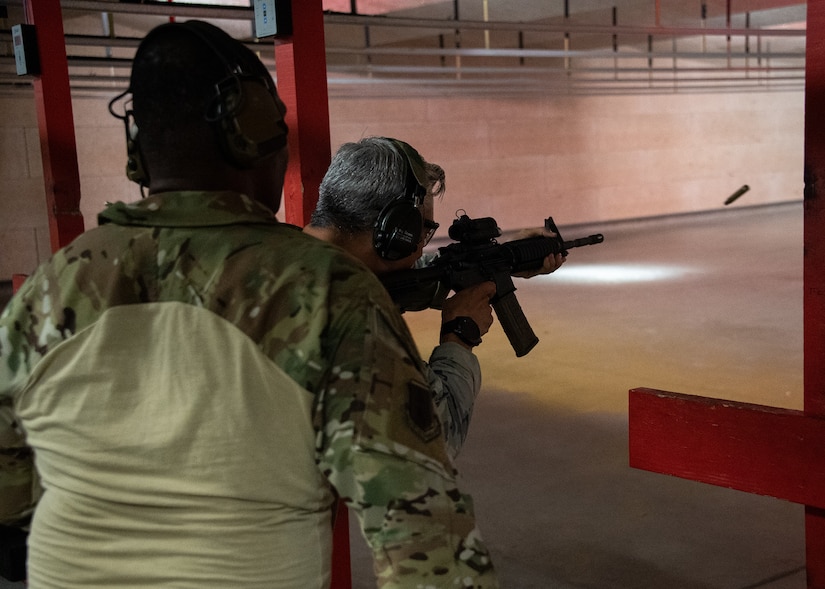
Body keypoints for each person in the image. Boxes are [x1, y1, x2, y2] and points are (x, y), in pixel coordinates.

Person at [0, 21, 499, 589]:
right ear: (254, 134)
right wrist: (456, 340)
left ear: (140, 148)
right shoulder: (326, 292)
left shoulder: (51, 286)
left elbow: (10, 501)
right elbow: (420, 522)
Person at [305, 137, 565, 459]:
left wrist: (504, 258)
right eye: (424, 230)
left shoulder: (287, 261)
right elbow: (437, 438)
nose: (420, 246)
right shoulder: (357, 317)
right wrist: (460, 334)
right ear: (395, 230)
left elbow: (408, 276)